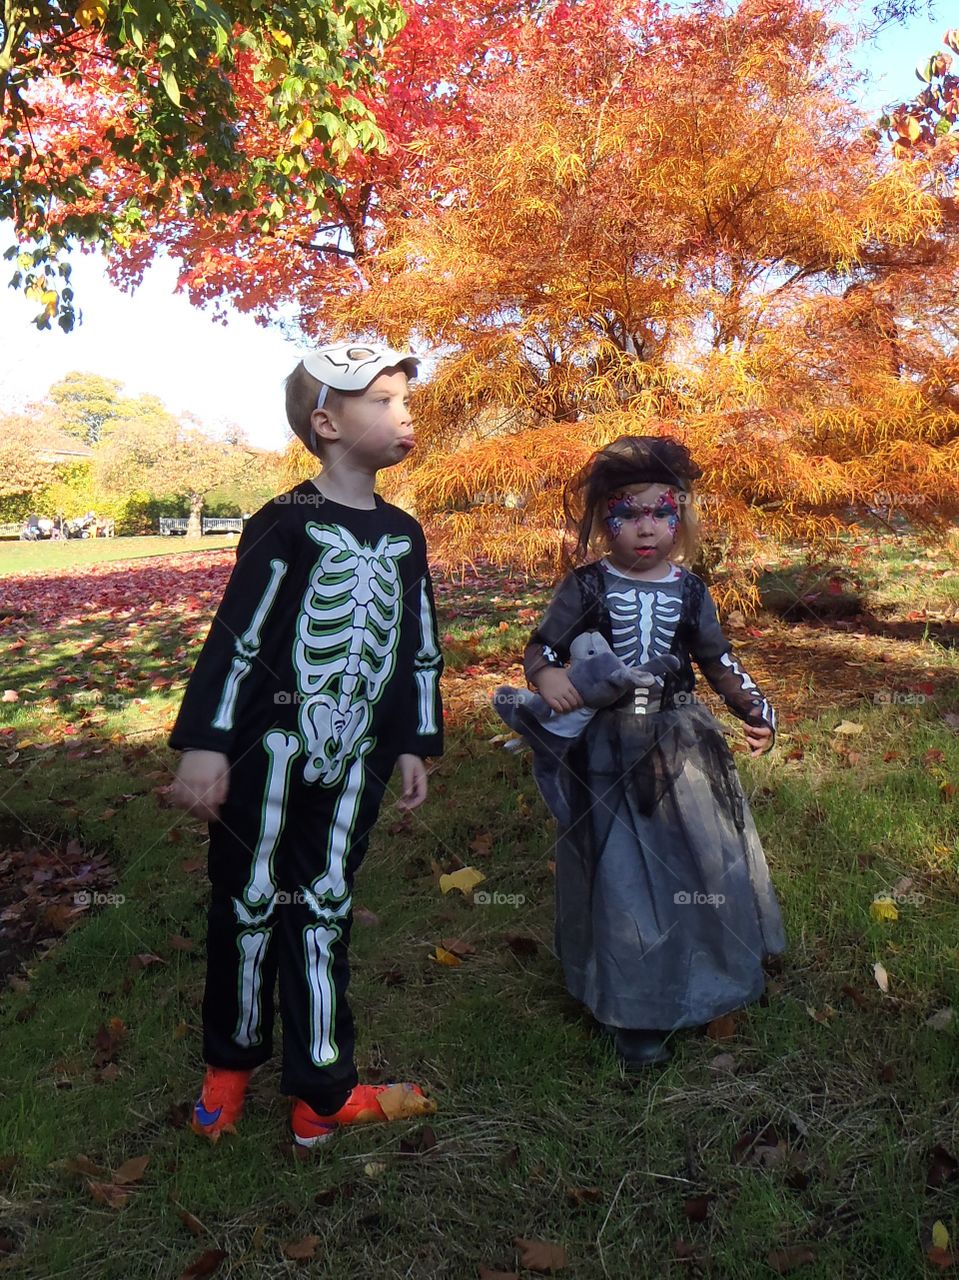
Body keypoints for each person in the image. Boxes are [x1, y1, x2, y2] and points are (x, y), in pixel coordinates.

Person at [169, 342, 444, 1147]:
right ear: (327, 423)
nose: (406, 413)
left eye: (405, 399)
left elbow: (416, 643)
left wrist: (412, 740)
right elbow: (236, 637)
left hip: (354, 755)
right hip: (268, 751)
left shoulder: (403, 532)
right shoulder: (283, 522)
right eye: (384, 401)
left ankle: (322, 1088)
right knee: (247, 900)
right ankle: (230, 1066)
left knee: (323, 906)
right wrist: (206, 743)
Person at [522, 435, 785, 1070]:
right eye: (627, 513)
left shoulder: (691, 591)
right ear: (603, 522)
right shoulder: (586, 586)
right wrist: (548, 676)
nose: (646, 528)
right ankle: (635, 1006)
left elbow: (718, 660)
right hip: (608, 745)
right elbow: (542, 649)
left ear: (680, 518)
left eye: (660, 512)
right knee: (623, 873)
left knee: (696, 862)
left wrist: (756, 710)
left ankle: (709, 971)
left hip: (678, 740)